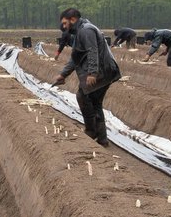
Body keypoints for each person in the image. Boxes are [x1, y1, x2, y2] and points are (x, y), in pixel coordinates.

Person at [52, 8, 121, 147]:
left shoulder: (86, 30)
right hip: (104, 71)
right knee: (94, 103)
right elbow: (75, 58)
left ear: (73, 20)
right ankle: (102, 139)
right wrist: (63, 74)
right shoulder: (79, 32)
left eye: (65, 23)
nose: (64, 27)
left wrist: (92, 73)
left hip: (104, 71)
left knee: (83, 96)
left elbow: (92, 50)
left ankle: (91, 131)